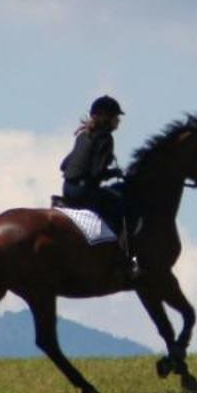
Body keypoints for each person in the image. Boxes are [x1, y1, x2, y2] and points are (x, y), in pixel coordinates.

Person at [59, 95, 138, 279]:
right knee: (123, 206)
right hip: (84, 191)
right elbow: (96, 173)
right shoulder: (105, 138)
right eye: (116, 117)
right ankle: (123, 259)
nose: (118, 121)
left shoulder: (83, 135)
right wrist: (116, 173)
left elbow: (64, 165)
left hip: (68, 188)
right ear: (106, 118)